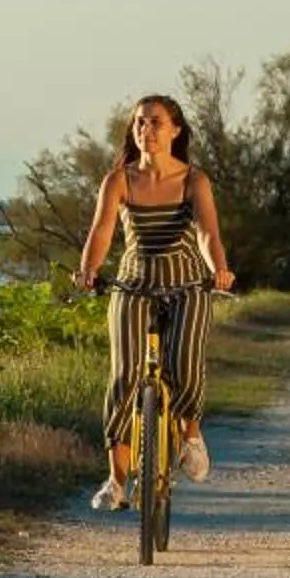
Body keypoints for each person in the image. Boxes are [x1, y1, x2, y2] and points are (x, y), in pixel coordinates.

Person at [73, 93, 236, 510]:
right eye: (140, 123)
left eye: (156, 123)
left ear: (175, 130)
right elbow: (102, 232)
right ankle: (116, 481)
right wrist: (89, 269)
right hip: (133, 284)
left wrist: (218, 267)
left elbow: (207, 233)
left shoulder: (193, 180)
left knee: (183, 362)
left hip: (186, 285)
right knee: (125, 375)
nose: (147, 130)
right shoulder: (119, 180)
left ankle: (192, 436)